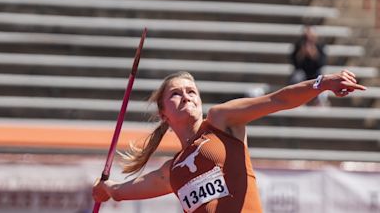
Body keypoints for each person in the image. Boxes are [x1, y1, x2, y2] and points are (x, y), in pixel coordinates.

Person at [93, 70, 366, 213]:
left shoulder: (221, 121)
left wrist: (321, 83)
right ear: (163, 113)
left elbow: (278, 100)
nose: (186, 96)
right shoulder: (172, 169)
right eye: (176, 93)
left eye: (192, 91)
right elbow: (127, 188)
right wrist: (108, 190)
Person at [289, 26, 328, 106]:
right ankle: (297, 100)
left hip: (315, 73)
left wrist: (314, 54)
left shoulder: (320, 46)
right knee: (297, 76)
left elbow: (321, 63)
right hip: (303, 73)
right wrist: (301, 54)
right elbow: (295, 64)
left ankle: (320, 101)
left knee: (323, 78)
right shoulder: (298, 46)